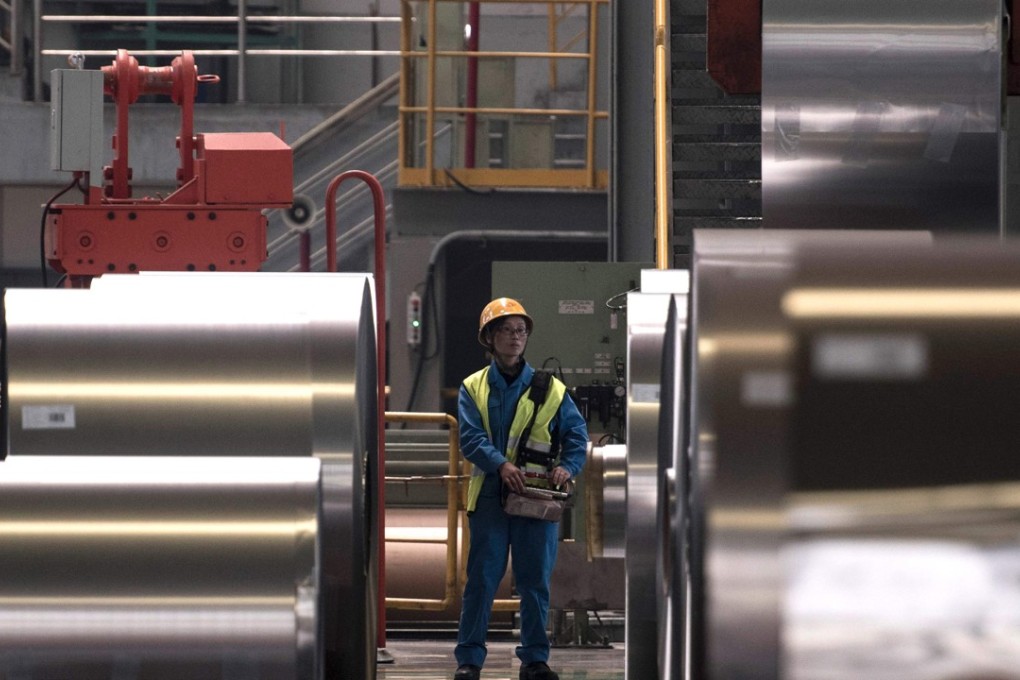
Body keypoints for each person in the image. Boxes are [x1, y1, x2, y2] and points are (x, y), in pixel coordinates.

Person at [454, 297, 589, 680]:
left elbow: (576, 437)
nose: (515, 338)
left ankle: (534, 660)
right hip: (490, 499)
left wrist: (567, 466)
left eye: (521, 331)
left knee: (534, 583)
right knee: (481, 580)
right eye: (506, 331)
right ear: (489, 338)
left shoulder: (553, 390)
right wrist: (501, 465)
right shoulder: (473, 387)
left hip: (537, 500)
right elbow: (470, 438)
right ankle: (469, 661)